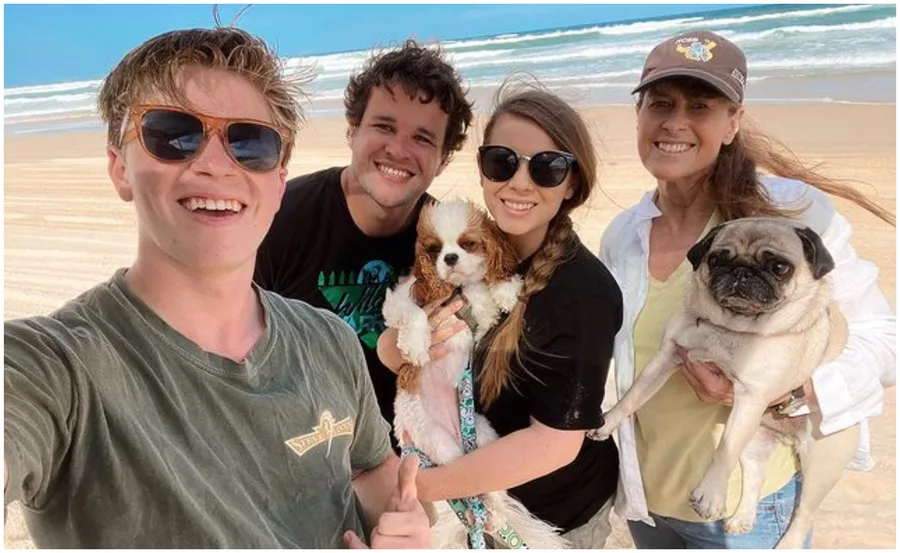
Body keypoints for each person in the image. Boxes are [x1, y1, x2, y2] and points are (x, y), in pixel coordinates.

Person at [3, 27, 430, 549]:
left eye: (249, 143)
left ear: (277, 184)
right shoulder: (56, 367)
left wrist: (401, 525)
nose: (215, 164)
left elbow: (369, 470)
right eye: (173, 135)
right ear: (119, 168)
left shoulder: (330, 341)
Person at [599, 30, 896, 549]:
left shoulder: (796, 214)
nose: (675, 122)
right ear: (640, 116)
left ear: (733, 121)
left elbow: (882, 341)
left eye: (701, 106)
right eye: (660, 104)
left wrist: (781, 393)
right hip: (647, 506)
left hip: (748, 514)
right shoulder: (623, 234)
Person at [378, 81, 624, 548]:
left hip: (552, 515)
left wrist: (425, 486)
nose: (519, 182)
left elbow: (553, 443)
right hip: (468, 494)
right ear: (483, 170)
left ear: (572, 183)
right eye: (501, 162)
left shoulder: (583, 294)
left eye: (548, 168)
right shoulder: (465, 245)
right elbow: (395, 352)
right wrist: (401, 341)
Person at [254, 39, 474, 448]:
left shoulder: (446, 242)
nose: (399, 149)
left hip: (394, 453)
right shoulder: (278, 218)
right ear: (353, 131)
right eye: (384, 126)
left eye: (423, 138)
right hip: (291, 445)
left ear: (443, 160)